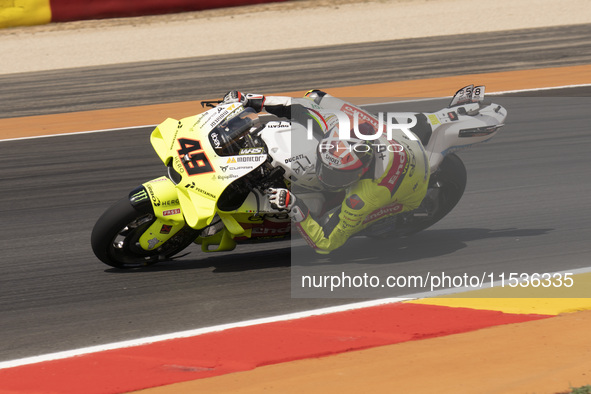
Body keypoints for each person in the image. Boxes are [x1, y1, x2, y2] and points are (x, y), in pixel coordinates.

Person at [221, 90, 432, 254]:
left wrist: (295, 206)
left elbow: (326, 244)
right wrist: (251, 100)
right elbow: (299, 106)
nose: (326, 177)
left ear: (362, 171)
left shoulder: (367, 194)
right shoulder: (336, 125)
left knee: (329, 216)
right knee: (315, 97)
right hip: (393, 136)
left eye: (340, 175)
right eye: (326, 166)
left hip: (412, 186)